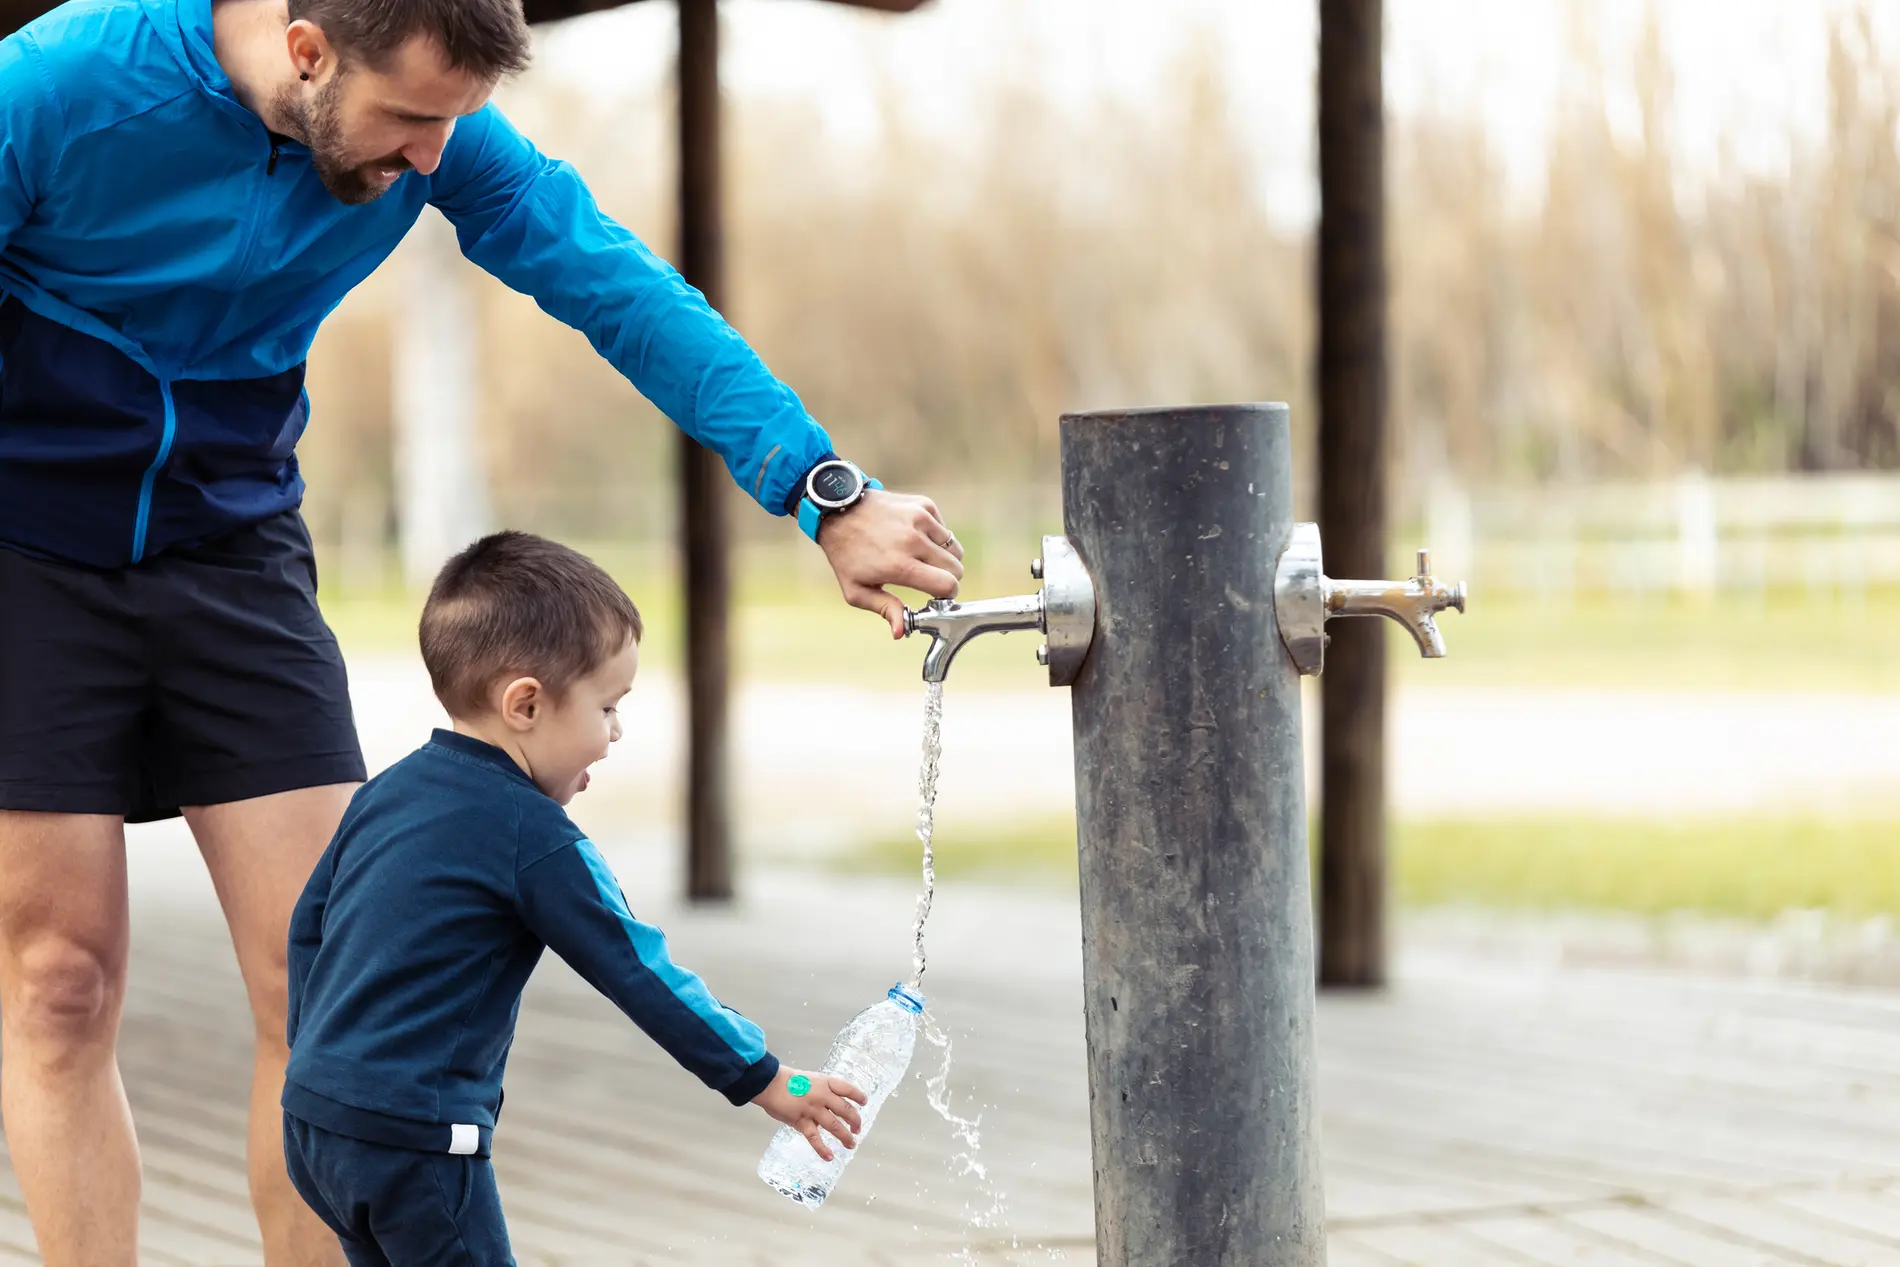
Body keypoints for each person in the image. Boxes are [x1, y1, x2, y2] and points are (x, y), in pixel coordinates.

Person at [0, 0, 962, 1260]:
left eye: (455, 122)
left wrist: (819, 487)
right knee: (58, 980)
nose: (430, 160)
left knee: (323, 988)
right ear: (306, 51)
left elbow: (615, 284)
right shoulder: (61, 84)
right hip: (25, 546)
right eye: (407, 119)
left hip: (231, 541)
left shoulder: (445, 137)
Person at [282, 531, 863, 1265]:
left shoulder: (387, 791)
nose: (616, 733)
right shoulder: (532, 833)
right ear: (525, 703)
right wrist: (764, 1076)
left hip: (314, 1122)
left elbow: (308, 928)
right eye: (608, 706)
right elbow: (637, 968)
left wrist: (320, 1057)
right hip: (417, 1143)